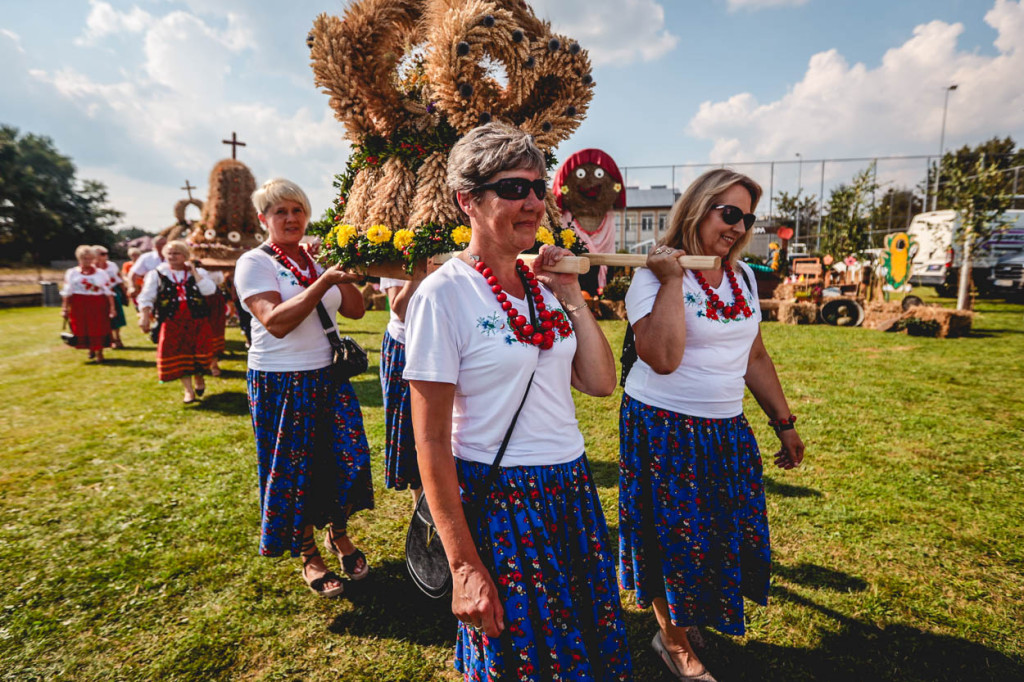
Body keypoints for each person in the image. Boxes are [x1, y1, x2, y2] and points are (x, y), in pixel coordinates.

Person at [404, 123, 633, 681]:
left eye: (538, 189)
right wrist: (462, 564)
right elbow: (430, 441)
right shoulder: (443, 294)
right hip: (504, 501)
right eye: (513, 189)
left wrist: (574, 297)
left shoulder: (543, 286)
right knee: (522, 658)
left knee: (582, 648)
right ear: (468, 201)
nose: (533, 203)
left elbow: (601, 383)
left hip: (570, 489)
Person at [618, 168, 805, 682]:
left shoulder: (742, 276)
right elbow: (661, 357)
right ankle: (672, 641)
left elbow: (756, 355)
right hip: (663, 428)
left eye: (746, 218)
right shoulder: (652, 272)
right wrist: (674, 280)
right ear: (698, 209)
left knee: (717, 531)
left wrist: (783, 421)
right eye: (729, 214)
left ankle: (685, 617)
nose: (739, 227)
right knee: (668, 537)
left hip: (725, 428)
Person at [235, 178, 373, 599]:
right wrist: (323, 281)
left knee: (345, 459)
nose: (291, 218)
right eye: (280, 212)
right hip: (281, 379)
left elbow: (356, 309)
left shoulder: (316, 256)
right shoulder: (253, 262)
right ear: (264, 219)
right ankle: (308, 552)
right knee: (298, 470)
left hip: (327, 375)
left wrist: (335, 270)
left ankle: (338, 533)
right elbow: (274, 322)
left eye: (297, 210)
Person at [137, 240, 215, 404]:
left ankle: (199, 378)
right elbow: (146, 296)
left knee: (197, 350)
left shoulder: (197, 272)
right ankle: (188, 390)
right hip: (172, 320)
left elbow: (209, 291)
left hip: (196, 319)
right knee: (177, 353)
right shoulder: (157, 274)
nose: (172, 256)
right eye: (169, 253)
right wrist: (144, 315)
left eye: (176, 253)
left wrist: (194, 272)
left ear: (185, 255)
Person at [378, 276, 424, 506]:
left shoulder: (459, 243)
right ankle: (420, 506)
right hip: (407, 346)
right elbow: (402, 311)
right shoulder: (398, 244)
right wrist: (418, 270)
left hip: (452, 341)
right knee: (411, 426)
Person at [61, 245, 115, 363]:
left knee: (98, 328)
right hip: (78, 304)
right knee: (83, 327)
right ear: (79, 259)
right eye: (84, 258)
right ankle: (90, 349)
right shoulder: (72, 273)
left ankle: (99, 352)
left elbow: (108, 291)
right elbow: (67, 292)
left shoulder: (101, 273)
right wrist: (65, 308)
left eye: (89, 258)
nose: (87, 261)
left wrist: (112, 308)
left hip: (97, 303)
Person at [95, 245, 127, 349]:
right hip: (99, 294)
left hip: (113, 291)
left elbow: (119, 279)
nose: (106, 256)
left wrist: (124, 292)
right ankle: (109, 339)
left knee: (116, 316)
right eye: (102, 254)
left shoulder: (112, 265)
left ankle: (117, 338)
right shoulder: (92, 268)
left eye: (106, 253)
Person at [128, 236, 167, 300]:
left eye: (164, 244)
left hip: (170, 289)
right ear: (154, 245)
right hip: (151, 290)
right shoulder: (146, 257)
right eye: (159, 244)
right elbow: (133, 273)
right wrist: (132, 287)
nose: (163, 246)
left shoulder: (173, 257)